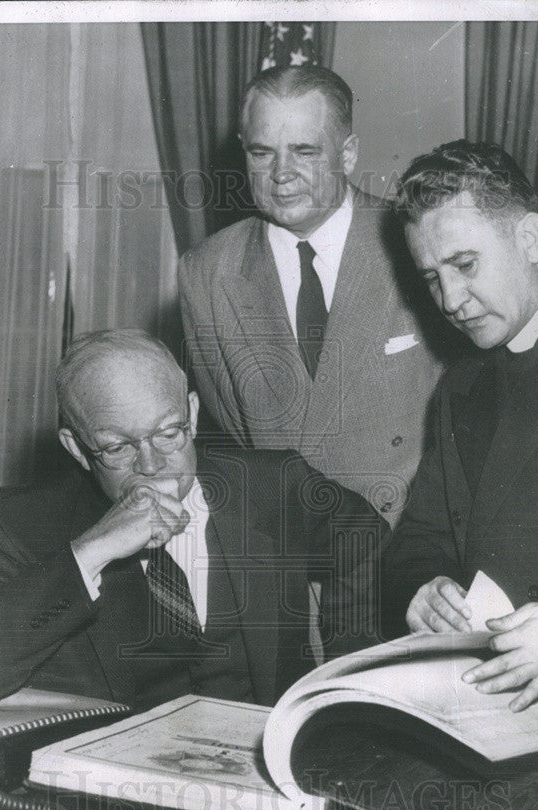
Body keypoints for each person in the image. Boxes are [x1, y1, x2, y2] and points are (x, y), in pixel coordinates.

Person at [381, 141, 538, 777]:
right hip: (492, 729)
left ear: (527, 237)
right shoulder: (460, 387)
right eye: (432, 277)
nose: (449, 298)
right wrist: (424, 588)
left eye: (465, 264)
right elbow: (420, 542)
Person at [0, 330, 384, 711]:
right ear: (76, 448)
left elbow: (366, 541)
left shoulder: (274, 486)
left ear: (192, 414)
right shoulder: (16, 527)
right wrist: (91, 552)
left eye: (168, 433)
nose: (151, 464)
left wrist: (345, 681)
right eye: (118, 447)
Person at [179, 65, 445, 527]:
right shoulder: (206, 272)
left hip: (407, 556)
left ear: (347, 155)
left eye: (304, 151)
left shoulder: (414, 243)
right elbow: (234, 428)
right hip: (284, 559)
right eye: (262, 153)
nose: (282, 174)